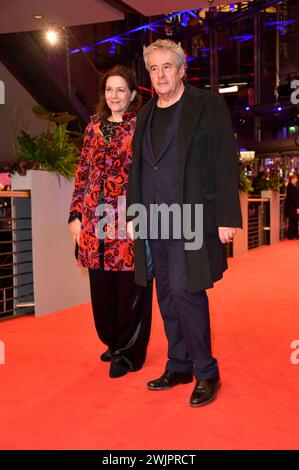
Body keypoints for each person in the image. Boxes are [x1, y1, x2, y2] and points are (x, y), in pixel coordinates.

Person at [126, 39, 242, 406]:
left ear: (180, 69)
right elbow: (138, 169)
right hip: (153, 217)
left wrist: (227, 216)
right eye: (154, 69)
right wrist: (133, 213)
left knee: (186, 290)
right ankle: (179, 364)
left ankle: (206, 370)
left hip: (192, 215)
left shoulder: (207, 105)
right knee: (165, 293)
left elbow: (225, 161)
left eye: (166, 67)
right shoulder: (144, 114)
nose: (160, 75)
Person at [69, 65, 152, 378]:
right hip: (93, 222)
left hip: (127, 220)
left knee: (129, 289)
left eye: (120, 89)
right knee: (101, 289)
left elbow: (148, 172)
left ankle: (129, 352)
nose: (114, 95)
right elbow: (83, 173)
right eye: (109, 89)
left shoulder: (142, 125)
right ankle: (113, 341)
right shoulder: (93, 127)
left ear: (131, 93)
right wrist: (75, 213)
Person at [285, 172, 299, 239]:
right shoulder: (291, 186)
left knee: (293, 221)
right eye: (296, 178)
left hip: (292, 206)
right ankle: (292, 235)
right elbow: (293, 198)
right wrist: (297, 207)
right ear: (292, 179)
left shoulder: (291, 186)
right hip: (292, 207)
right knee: (293, 220)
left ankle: (292, 235)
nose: (297, 179)